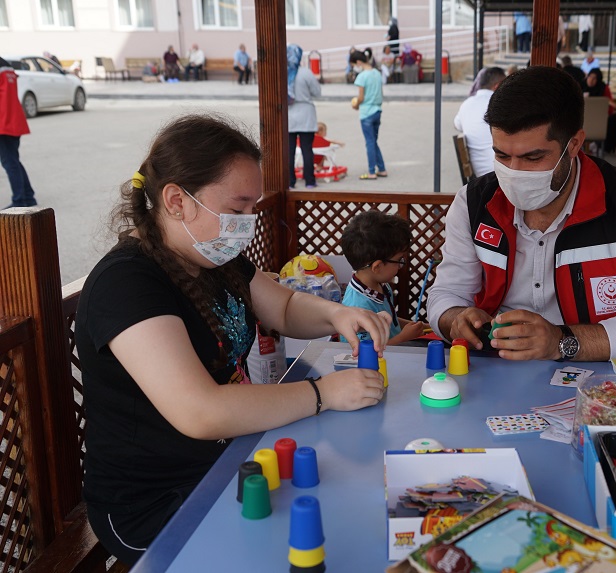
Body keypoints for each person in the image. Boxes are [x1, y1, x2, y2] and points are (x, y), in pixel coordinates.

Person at [77, 114, 390, 565]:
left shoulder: (212, 258)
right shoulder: (126, 285)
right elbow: (199, 412)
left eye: (252, 209)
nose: (248, 223)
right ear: (177, 201)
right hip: (155, 500)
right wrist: (322, 393)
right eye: (237, 208)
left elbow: (282, 308)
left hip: (231, 460)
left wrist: (337, 312)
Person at [426, 66, 616, 362]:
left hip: (600, 382)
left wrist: (563, 341)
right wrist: (455, 320)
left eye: (533, 157)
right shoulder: (474, 201)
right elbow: (445, 294)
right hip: (493, 368)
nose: (513, 173)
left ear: (574, 144)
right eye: (502, 155)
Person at [339, 211, 428, 345]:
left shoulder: (379, 284)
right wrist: (403, 337)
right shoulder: (358, 306)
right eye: (399, 260)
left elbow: (390, 321)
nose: (400, 265)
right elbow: (364, 352)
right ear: (378, 267)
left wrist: (418, 326)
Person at [454, 67, 506, 177]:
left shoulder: (466, 104)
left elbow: (457, 125)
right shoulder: (500, 103)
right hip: (500, 175)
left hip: (479, 175)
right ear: (497, 86)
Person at [0, 57, 36, 209]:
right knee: (13, 160)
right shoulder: (5, 66)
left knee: (10, 162)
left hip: (3, 121)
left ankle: (19, 200)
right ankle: (28, 196)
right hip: (13, 118)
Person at [288, 44, 322, 190]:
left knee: (288, 150)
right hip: (306, 113)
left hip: (288, 115)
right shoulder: (306, 73)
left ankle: (289, 181)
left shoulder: (282, 73)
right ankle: (309, 181)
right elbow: (317, 92)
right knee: (307, 149)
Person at [350, 51, 387, 180]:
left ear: (358, 62)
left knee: (370, 142)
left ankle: (371, 171)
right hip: (377, 110)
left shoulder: (361, 76)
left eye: (354, 64)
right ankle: (381, 169)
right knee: (374, 141)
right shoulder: (377, 73)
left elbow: (361, 97)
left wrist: (355, 105)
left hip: (366, 113)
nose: (355, 67)